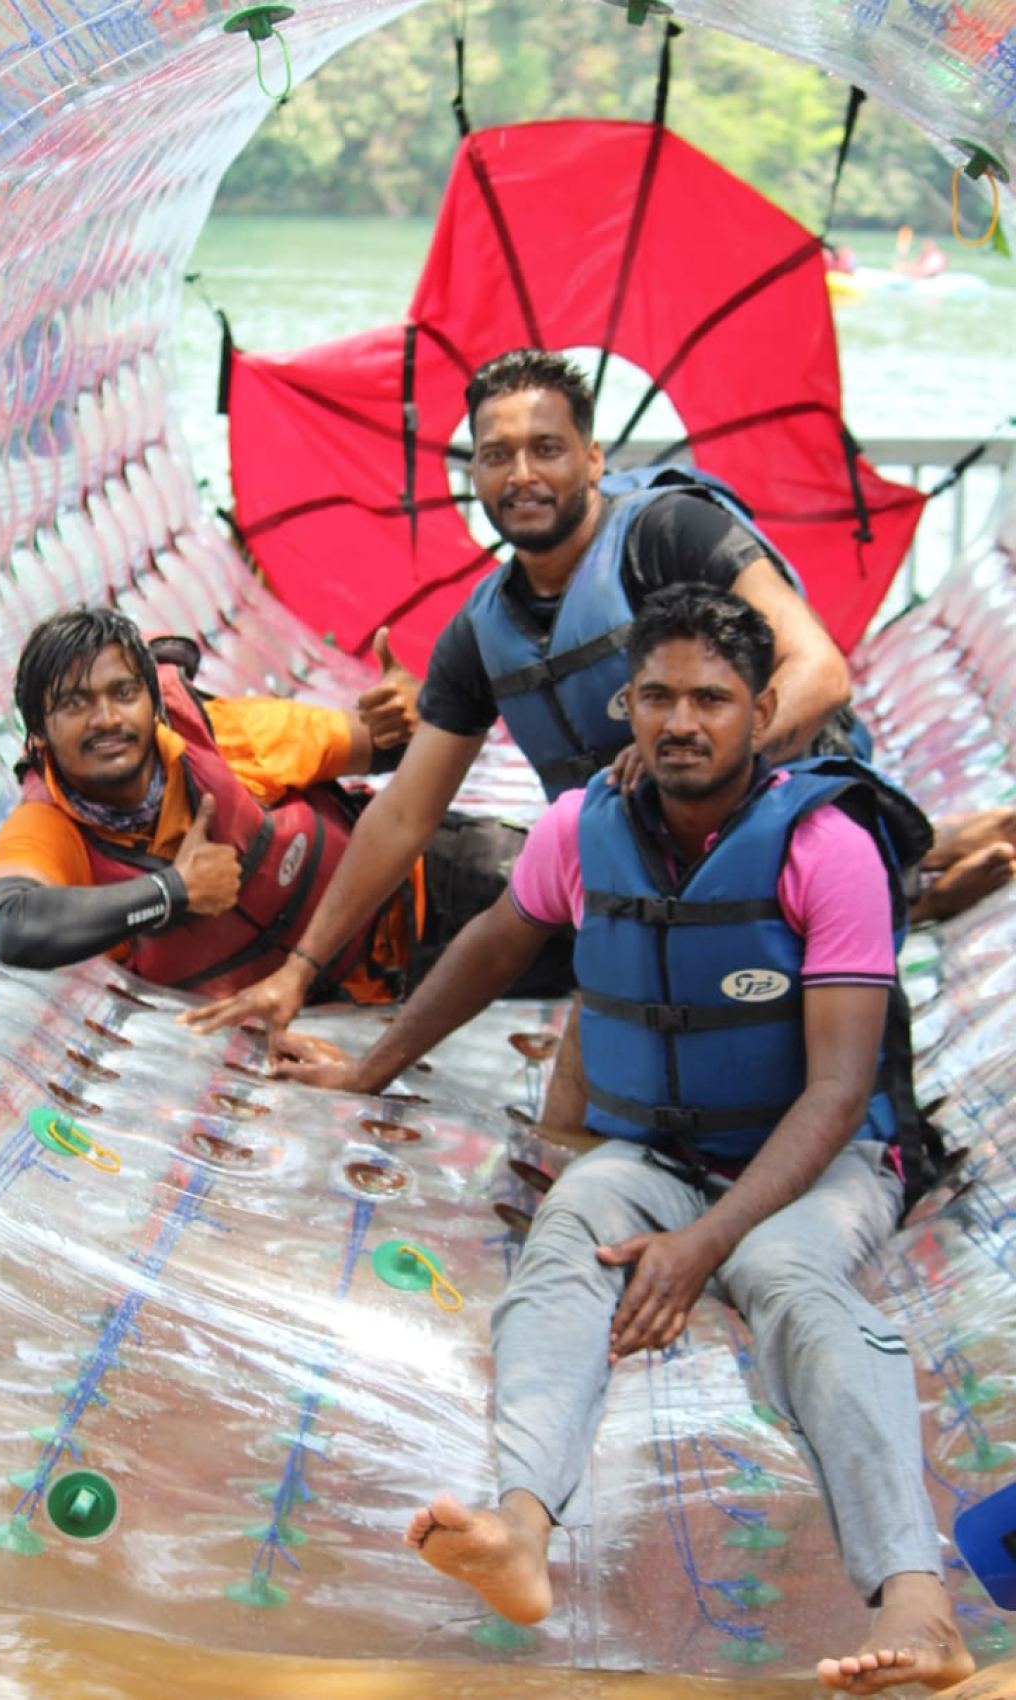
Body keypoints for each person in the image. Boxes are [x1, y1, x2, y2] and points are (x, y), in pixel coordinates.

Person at [276, 586, 972, 1695]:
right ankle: (517, 1530)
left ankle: (918, 1602)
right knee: (566, 1234)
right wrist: (369, 1065)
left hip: (822, 1157)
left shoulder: (825, 846)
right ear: (626, 706)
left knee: (789, 1278)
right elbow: (493, 950)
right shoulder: (581, 829)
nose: (681, 720)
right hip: (657, 1154)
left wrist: (705, 1245)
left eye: (711, 697)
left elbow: (840, 1091)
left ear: (762, 708)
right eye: (657, 695)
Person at [180, 346, 853, 1040]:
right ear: (474, 472)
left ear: (592, 460)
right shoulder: (481, 632)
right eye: (497, 455)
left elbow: (820, 672)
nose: (522, 475)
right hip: (639, 889)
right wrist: (297, 972)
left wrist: (677, 777)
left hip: (783, 856)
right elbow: (406, 813)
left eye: (547, 449)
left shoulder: (671, 536)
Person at [0, 608, 573, 1002]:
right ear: (39, 736)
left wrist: (417, 710)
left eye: (123, 693)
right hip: (379, 991)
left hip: (426, 878)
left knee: (611, 909)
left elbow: (387, 748)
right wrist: (173, 892)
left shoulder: (226, 735)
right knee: (591, 974)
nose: (107, 719)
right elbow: (12, 926)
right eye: (75, 704)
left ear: (154, 704)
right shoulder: (47, 827)